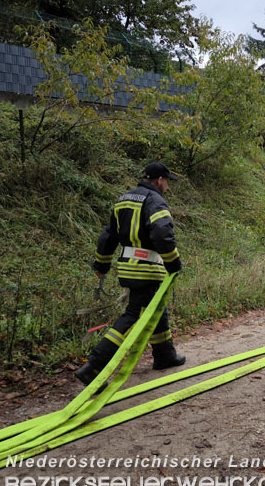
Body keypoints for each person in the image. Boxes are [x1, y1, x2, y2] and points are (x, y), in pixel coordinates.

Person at [75, 161, 186, 388]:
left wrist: (102, 265)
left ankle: (165, 355)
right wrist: (173, 262)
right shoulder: (155, 201)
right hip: (147, 268)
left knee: (155, 307)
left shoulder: (124, 199)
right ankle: (94, 367)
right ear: (158, 180)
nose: (167, 187)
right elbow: (163, 233)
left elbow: (108, 236)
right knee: (135, 314)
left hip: (127, 266)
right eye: (166, 182)